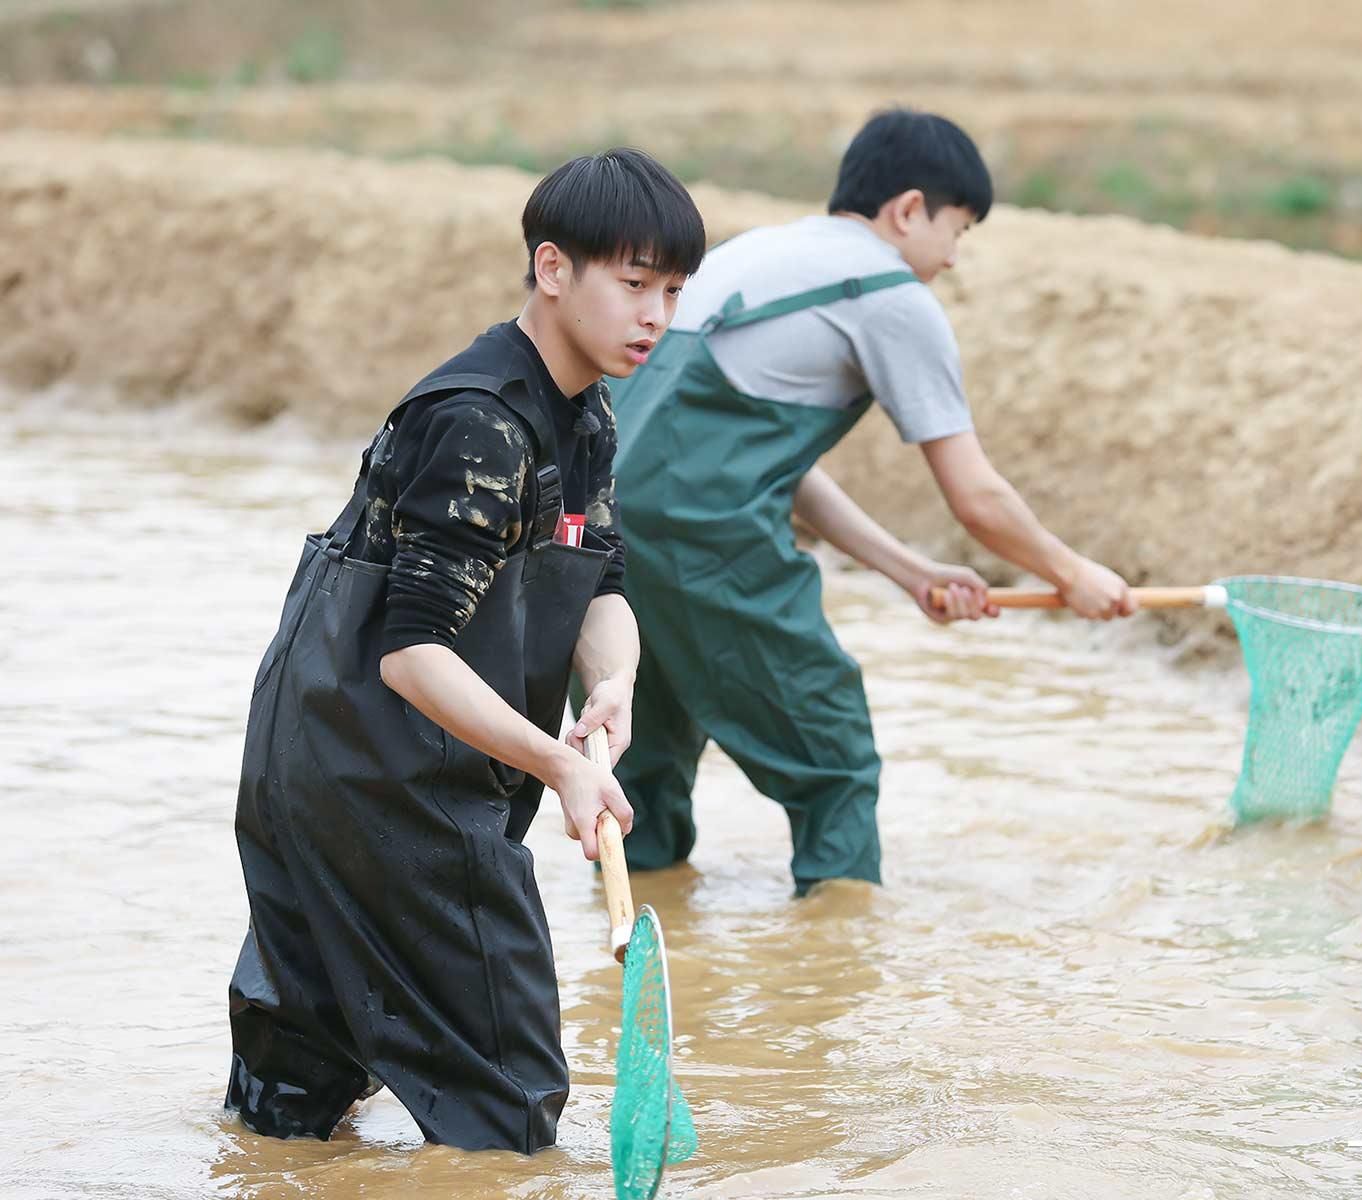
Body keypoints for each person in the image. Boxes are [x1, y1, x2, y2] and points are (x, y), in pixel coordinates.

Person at [223, 148, 705, 1153]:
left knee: (290, 1101)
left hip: (325, 753)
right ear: (553, 269)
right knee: (508, 1097)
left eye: (670, 288)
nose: (655, 313)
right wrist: (559, 763)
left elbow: (598, 579)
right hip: (381, 772)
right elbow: (411, 654)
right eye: (633, 282)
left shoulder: (584, 412)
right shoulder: (481, 422)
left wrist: (611, 684)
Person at [603, 109, 1136, 896]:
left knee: (636, 775)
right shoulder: (891, 295)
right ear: (908, 210)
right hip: (703, 544)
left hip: (600, 540)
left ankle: (649, 950)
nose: (952, 260)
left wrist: (909, 570)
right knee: (834, 762)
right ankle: (840, 972)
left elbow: (744, 462)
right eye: (957, 232)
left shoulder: (755, 253)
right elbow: (977, 497)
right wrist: (1075, 572)